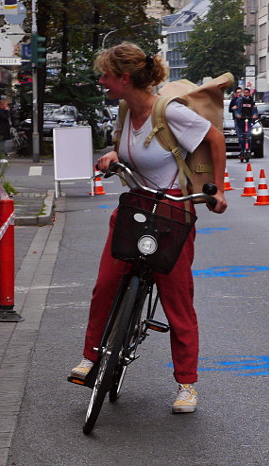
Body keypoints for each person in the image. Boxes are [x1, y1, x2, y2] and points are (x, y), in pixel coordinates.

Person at [70, 43, 227, 414]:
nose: (101, 81)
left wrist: (217, 188)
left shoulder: (170, 112)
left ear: (124, 78)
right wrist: (113, 156)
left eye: (106, 75)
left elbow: (214, 139)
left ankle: (187, 384)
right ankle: (91, 358)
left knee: (177, 300)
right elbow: (129, 151)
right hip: (136, 205)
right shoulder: (125, 111)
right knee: (105, 285)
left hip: (172, 212)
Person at [235, 87, 258, 159]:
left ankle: (249, 149)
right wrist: (237, 115)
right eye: (244, 93)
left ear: (249, 93)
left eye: (247, 93)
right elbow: (236, 109)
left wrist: (255, 115)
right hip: (241, 120)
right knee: (241, 137)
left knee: (249, 135)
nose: (245, 94)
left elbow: (255, 110)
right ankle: (242, 150)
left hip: (249, 119)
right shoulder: (239, 100)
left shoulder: (252, 101)